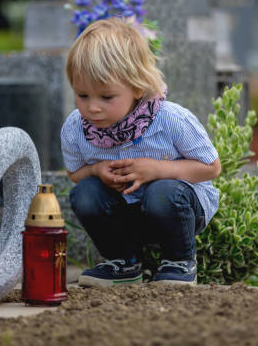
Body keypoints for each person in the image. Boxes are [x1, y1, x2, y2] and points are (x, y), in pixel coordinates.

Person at [60, 17, 221, 287]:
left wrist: (157, 170)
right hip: (125, 212)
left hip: (176, 209)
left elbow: (211, 167)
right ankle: (122, 262)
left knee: (163, 191)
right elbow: (75, 173)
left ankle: (179, 260)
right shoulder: (77, 127)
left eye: (106, 97)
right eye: (82, 96)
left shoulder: (170, 119)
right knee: (84, 192)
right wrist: (96, 170)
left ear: (136, 87)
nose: (93, 108)